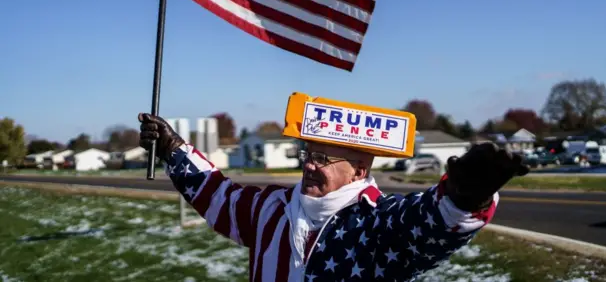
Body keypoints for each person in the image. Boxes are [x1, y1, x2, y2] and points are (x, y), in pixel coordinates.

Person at [138, 112, 528, 282]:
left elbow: (427, 221)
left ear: (359, 171)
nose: (310, 166)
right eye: (308, 155)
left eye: (324, 159)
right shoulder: (270, 207)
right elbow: (217, 195)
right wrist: (174, 149)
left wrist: (465, 198)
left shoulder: (376, 220)